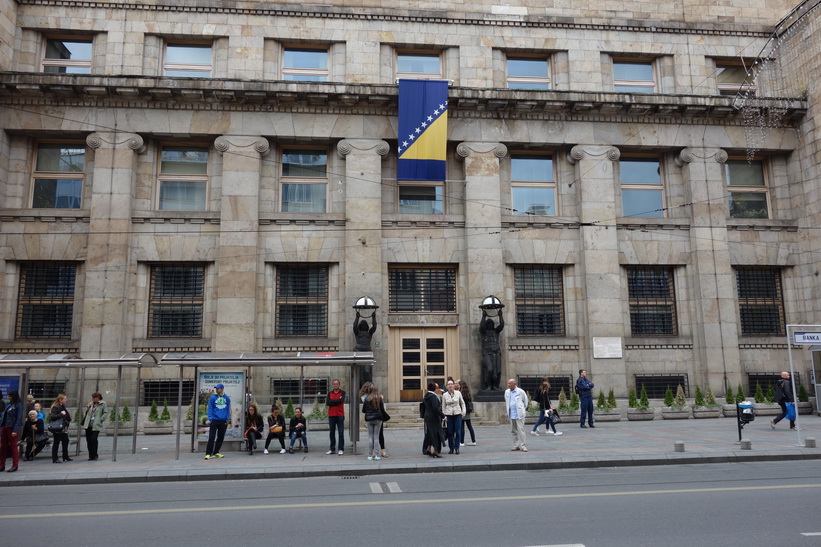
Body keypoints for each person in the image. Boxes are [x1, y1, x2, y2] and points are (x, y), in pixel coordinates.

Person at [359, 382, 388, 458]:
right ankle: (377, 454)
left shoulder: (366, 398)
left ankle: (370, 454)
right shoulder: (378, 397)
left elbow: (364, 410)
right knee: (377, 437)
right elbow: (382, 409)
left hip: (369, 419)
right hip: (378, 418)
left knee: (371, 437)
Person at [204, 383, 231, 460]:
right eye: (216, 388)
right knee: (211, 437)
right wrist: (211, 419)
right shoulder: (213, 398)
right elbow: (210, 408)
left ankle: (216, 452)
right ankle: (208, 453)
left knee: (221, 437)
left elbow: (228, 409)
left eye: (218, 388)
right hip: (214, 420)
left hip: (223, 421)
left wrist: (227, 419)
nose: (217, 389)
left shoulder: (227, 398)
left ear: (222, 389)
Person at [479, 309, 505, 391]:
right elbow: (481, 327)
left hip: (496, 352)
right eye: (488, 324)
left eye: (491, 324)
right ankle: (489, 385)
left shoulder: (496, 331)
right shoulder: (484, 332)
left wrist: (500, 315)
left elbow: (501, 325)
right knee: (489, 369)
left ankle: (495, 386)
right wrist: (483, 317)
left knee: (497, 371)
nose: (490, 325)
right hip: (487, 353)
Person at [0, 390, 23, 472]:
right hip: (5, 426)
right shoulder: (10, 405)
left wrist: (15, 430)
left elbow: (19, 418)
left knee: (13, 446)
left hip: (11, 427)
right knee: (3, 446)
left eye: (10, 396)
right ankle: (2, 465)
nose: (8, 397)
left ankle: (15, 465)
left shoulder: (18, 405)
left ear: (14, 396)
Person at [442, 379, 466, 454]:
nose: (450, 385)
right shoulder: (444, 395)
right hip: (449, 415)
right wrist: (444, 416)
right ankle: (451, 448)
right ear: (447, 386)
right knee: (450, 432)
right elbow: (443, 406)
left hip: (457, 414)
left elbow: (462, 403)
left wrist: (463, 412)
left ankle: (457, 447)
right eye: (449, 384)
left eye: (451, 384)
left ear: (453, 385)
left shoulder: (458, 393)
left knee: (458, 432)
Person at [504, 378, 528, 452]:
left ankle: (523, 445)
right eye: (508, 383)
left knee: (521, 430)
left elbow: (525, 401)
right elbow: (507, 401)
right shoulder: (507, 392)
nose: (508, 385)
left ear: (514, 384)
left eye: (509, 384)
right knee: (513, 430)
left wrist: (522, 409)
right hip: (511, 414)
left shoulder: (520, 391)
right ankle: (516, 445)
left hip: (519, 414)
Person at [422, 382, 446, 458]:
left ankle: (429, 449)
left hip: (427, 416)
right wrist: (443, 416)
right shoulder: (433, 397)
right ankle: (436, 451)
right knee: (436, 434)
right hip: (433, 417)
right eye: (437, 387)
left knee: (430, 433)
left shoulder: (427, 395)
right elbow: (435, 408)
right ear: (435, 389)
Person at [81, 392, 107, 461]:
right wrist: (87, 409)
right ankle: (91, 455)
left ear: (98, 398)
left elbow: (105, 413)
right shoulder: (91, 403)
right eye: (92, 398)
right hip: (88, 424)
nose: (93, 399)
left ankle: (95, 454)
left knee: (93, 439)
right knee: (88, 440)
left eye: (94, 398)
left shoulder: (103, 404)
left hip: (96, 425)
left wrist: (100, 420)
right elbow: (87, 412)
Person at [354, 311, 378, 384]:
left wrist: (374, 317)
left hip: (367, 352)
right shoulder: (357, 333)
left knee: (367, 371)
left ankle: (369, 386)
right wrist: (357, 317)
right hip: (359, 351)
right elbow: (354, 327)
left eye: (365, 324)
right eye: (362, 324)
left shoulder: (369, 333)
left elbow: (374, 327)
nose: (364, 325)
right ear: (360, 325)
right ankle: (361, 387)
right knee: (360, 372)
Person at [49, 394, 72, 464]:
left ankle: (65, 456)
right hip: (58, 428)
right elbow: (52, 416)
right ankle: (55, 458)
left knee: (65, 441)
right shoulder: (56, 407)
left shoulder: (62, 406)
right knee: (56, 442)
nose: (66, 400)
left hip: (63, 427)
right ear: (60, 400)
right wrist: (61, 414)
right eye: (65, 399)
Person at [326, 379, 345, 456]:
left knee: (341, 432)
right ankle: (332, 449)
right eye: (334, 384)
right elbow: (327, 402)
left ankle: (341, 449)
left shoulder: (342, 392)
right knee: (332, 432)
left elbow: (342, 400)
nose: (335, 385)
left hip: (340, 415)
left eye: (337, 384)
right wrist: (337, 401)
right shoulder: (329, 393)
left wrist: (332, 401)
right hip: (331, 415)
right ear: (332, 385)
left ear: (339, 385)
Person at [459, 380, 477, 446]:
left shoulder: (461, 394)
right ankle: (473, 440)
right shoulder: (468, 393)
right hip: (468, 411)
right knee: (469, 426)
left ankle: (462, 442)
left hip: (463, 411)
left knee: (462, 427)